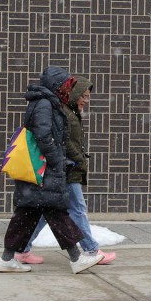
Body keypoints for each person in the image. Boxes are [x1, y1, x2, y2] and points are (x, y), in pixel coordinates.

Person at [0, 66, 105, 274]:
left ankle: (7, 258)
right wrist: (58, 160)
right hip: (44, 168)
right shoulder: (45, 104)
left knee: (27, 215)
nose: (68, 90)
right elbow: (44, 136)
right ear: (57, 86)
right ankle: (76, 258)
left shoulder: (47, 102)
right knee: (56, 212)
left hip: (41, 168)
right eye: (66, 86)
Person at [14, 76, 116, 265]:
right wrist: (74, 160)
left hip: (66, 165)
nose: (86, 100)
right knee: (76, 209)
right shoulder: (62, 111)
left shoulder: (70, 111)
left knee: (46, 211)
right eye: (83, 96)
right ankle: (91, 250)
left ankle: (21, 250)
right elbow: (61, 141)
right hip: (67, 167)